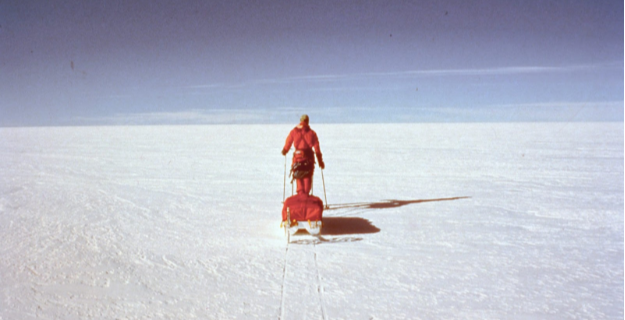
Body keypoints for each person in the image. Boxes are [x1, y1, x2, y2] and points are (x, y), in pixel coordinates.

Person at [281, 114, 325, 195]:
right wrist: (320, 161)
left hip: (297, 159)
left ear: (300, 121)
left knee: (299, 177)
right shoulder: (312, 133)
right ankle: (306, 198)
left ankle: (299, 199)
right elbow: (317, 148)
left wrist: (285, 150)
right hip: (308, 160)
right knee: (307, 178)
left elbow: (288, 142)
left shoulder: (293, 131)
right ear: (307, 122)